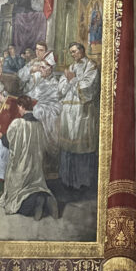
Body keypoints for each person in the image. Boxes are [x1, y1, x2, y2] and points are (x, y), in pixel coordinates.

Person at [0, 97, 59, 220]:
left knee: (17, 196)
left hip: (21, 165)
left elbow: (10, 142)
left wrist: (1, 137)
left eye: (19, 107)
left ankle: (37, 201)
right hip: (36, 166)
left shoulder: (18, 123)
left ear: (22, 106)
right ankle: (45, 198)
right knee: (35, 185)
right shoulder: (39, 125)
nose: (18, 110)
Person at [58, 42, 100, 189]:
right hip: (68, 112)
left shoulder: (91, 66)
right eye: (71, 52)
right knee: (68, 146)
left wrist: (72, 80)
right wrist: (69, 80)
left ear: (82, 51)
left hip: (83, 112)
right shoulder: (70, 67)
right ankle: (67, 180)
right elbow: (61, 87)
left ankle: (82, 182)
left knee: (82, 147)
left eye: (75, 51)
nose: (73, 55)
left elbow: (88, 87)